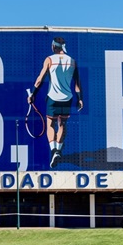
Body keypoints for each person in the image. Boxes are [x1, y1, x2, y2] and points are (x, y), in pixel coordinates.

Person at [28, 36, 83, 168]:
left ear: (54, 46)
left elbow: (40, 79)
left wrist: (33, 95)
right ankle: (58, 150)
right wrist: (80, 99)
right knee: (62, 124)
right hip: (67, 98)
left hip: (53, 98)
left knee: (51, 124)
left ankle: (53, 150)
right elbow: (77, 84)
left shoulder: (49, 60)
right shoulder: (72, 61)